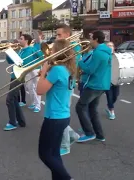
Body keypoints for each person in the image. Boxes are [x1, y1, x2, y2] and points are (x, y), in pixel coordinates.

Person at [36, 39, 75, 180]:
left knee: (45, 154)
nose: (50, 52)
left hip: (54, 117)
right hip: (63, 116)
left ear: (58, 52)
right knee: (54, 154)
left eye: (52, 50)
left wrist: (43, 72)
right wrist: (45, 74)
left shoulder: (57, 70)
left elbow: (39, 90)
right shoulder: (68, 69)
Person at [76, 31, 112, 142]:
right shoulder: (104, 51)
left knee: (80, 107)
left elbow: (90, 70)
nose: (90, 40)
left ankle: (89, 133)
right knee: (92, 109)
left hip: (94, 85)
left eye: (91, 38)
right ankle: (99, 135)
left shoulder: (98, 53)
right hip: (101, 85)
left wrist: (79, 61)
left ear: (96, 39)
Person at [3, 34, 41, 131]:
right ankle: (21, 121)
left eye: (21, 39)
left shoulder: (30, 50)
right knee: (14, 99)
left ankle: (12, 122)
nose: (19, 40)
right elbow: (10, 62)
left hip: (19, 77)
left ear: (26, 40)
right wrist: (8, 53)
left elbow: (23, 63)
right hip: (14, 75)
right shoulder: (20, 50)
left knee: (9, 99)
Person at [55, 24, 80, 156]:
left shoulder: (74, 47)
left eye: (59, 35)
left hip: (65, 83)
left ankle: (65, 145)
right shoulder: (66, 47)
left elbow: (71, 65)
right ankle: (72, 135)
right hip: (63, 82)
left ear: (67, 35)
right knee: (60, 114)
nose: (56, 37)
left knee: (60, 115)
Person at [24, 29, 44, 113]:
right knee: (29, 87)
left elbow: (41, 57)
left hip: (36, 68)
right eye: (33, 35)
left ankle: (38, 105)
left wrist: (37, 36)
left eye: (35, 35)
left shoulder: (42, 44)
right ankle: (33, 102)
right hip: (29, 67)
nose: (34, 36)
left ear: (40, 36)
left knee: (36, 87)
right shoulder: (33, 44)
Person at [105, 41, 119, 120]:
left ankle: (110, 105)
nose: (110, 47)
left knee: (115, 96)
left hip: (116, 80)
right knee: (109, 97)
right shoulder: (104, 56)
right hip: (107, 81)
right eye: (109, 46)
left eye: (112, 45)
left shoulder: (117, 56)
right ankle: (111, 111)